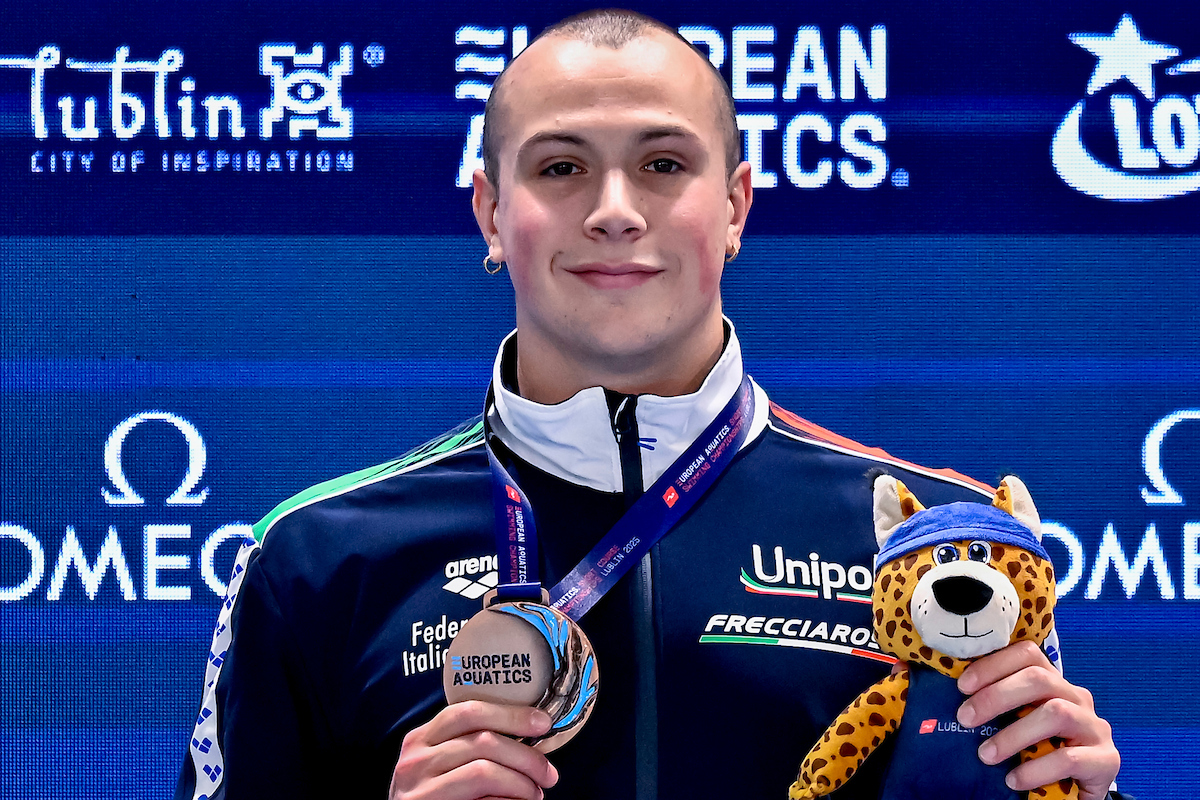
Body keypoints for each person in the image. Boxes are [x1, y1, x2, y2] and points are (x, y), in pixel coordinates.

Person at [176, 9, 1122, 800]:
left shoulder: (937, 540)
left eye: (664, 164)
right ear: (492, 214)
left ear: (736, 206)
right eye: (560, 168)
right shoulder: (318, 559)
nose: (615, 210)